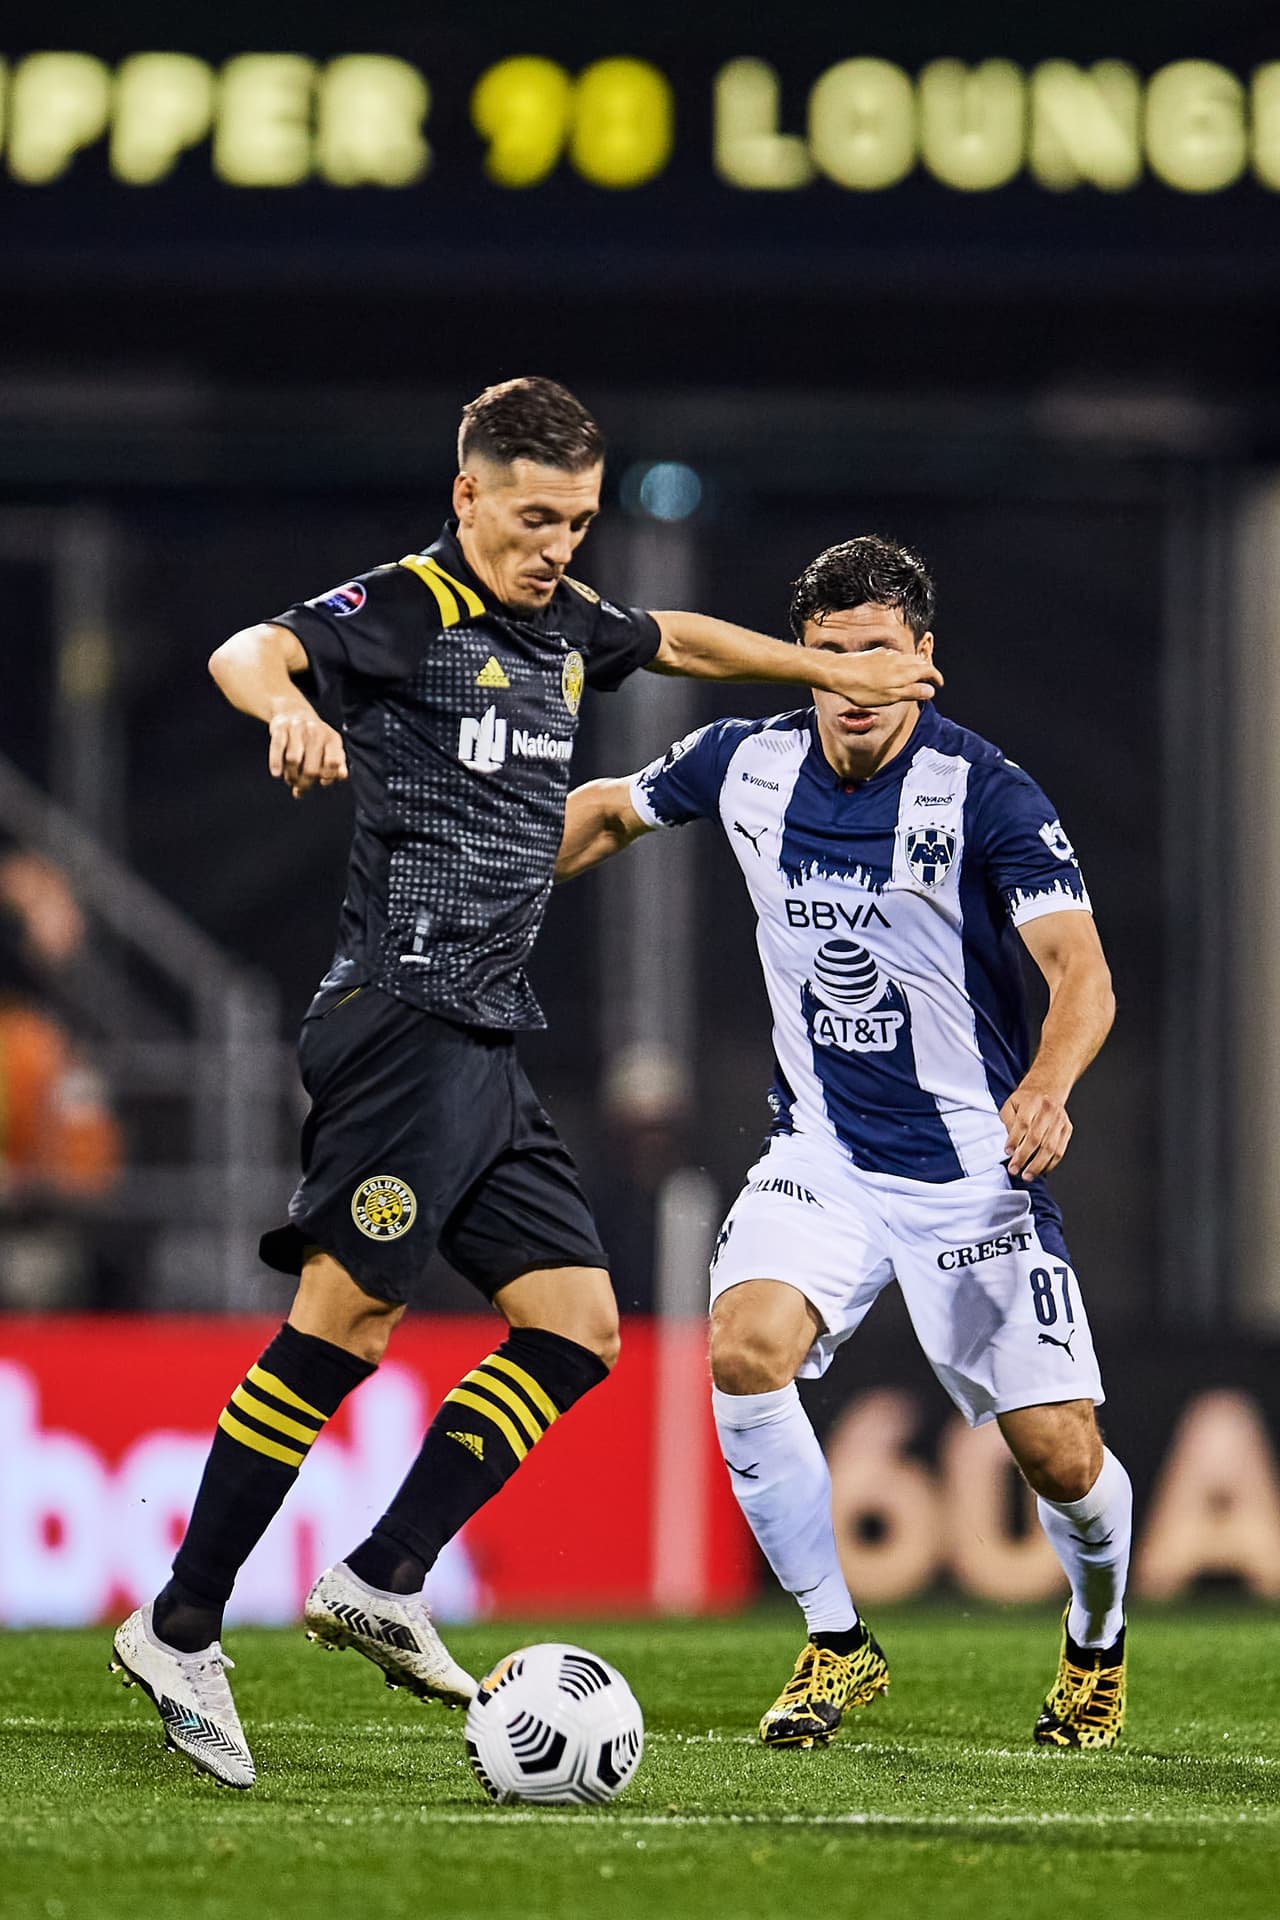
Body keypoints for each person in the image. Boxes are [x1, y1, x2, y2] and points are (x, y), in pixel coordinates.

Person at [109, 381, 942, 1788]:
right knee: (348, 1321)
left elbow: (668, 637)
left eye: (576, 520)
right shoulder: (409, 608)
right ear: (468, 499)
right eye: (534, 516)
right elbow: (249, 650)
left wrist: (825, 673)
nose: (555, 545)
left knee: (575, 1328)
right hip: (397, 1021)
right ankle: (182, 1622)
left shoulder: (562, 624)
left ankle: (383, 1574)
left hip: (485, 1034)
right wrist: (284, 713)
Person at [555, 534, 1131, 1752]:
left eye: (876, 655)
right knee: (742, 1347)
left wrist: (1045, 1083)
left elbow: (1078, 971)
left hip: (977, 1170)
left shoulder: (988, 792)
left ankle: (1094, 1641)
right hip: (819, 1151)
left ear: (923, 661)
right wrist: (480, 868)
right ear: (797, 662)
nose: (853, 685)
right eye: (826, 660)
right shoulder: (743, 762)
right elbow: (609, 814)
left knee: (1059, 1455)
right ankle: (834, 1642)